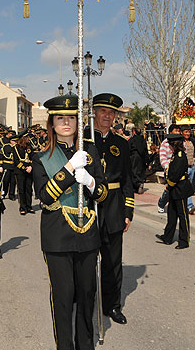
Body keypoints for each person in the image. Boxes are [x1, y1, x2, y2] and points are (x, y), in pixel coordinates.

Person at [32, 94, 108, 350]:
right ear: (51, 123)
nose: (66, 122)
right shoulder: (41, 156)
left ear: (78, 122)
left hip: (87, 232)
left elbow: (103, 193)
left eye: (71, 118)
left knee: (87, 294)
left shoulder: (90, 151)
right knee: (64, 297)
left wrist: (89, 181)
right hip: (57, 236)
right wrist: (69, 170)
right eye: (60, 118)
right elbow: (44, 196)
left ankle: (85, 345)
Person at [87, 93, 134, 325]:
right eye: (103, 111)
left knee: (113, 261)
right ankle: (84, 300)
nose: (107, 116)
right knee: (85, 259)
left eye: (112, 112)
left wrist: (128, 212)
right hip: (87, 205)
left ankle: (112, 305)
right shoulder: (82, 139)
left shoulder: (121, 143)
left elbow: (127, 180)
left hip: (114, 206)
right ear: (94, 112)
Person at [156, 134, 195, 249]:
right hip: (174, 188)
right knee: (172, 214)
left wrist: (169, 185)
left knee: (182, 216)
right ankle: (168, 237)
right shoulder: (175, 155)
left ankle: (184, 241)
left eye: (170, 145)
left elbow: (176, 174)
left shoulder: (180, 156)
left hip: (180, 189)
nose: (169, 147)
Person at [157, 124, 181, 213]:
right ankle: (161, 203)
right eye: (176, 131)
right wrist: (168, 167)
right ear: (170, 132)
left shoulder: (180, 142)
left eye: (178, 131)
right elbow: (162, 157)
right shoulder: (165, 143)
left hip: (179, 170)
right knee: (169, 189)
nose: (177, 132)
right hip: (169, 170)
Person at [181, 125, 195, 214]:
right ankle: (189, 205)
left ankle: (186, 205)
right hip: (183, 167)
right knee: (186, 187)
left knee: (187, 187)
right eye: (186, 132)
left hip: (191, 166)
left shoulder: (191, 141)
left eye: (189, 132)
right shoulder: (180, 142)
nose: (187, 134)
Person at [14, 134, 34, 215]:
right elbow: (16, 161)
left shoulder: (29, 146)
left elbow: (33, 157)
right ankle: (22, 207)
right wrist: (24, 168)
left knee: (29, 189)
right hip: (20, 171)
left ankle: (29, 206)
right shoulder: (16, 147)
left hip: (29, 170)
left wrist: (31, 167)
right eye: (27, 138)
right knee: (21, 189)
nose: (28, 139)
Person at [129, 127, 148, 195]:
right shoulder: (143, 140)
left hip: (133, 157)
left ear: (134, 132)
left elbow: (128, 149)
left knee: (133, 172)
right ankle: (140, 183)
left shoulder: (132, 140)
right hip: (141, 158)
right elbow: (145, 150)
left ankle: (137, 185)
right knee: (140, 171)